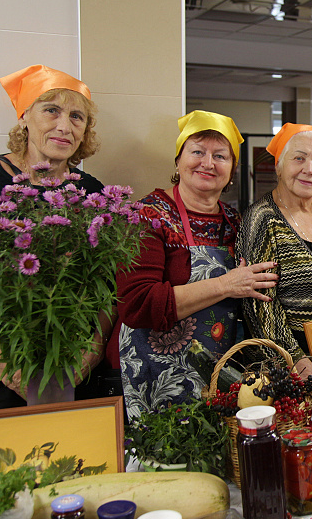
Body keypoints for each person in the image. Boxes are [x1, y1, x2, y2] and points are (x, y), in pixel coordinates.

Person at [0, 64, 110, 412]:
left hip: (78, 371)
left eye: (76, 117)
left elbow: (108, 284)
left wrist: (90, 354)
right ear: (25, 117)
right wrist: (13, 371)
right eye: (51, 111)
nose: (64, 126)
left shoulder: (92, 192)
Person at [114, 111, 278, 420]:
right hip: (154, 374)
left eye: (220, 156)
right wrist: (225, 285)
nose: (208, 163)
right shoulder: (146, 216)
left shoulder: (236, 223)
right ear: (178, 160)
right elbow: (137, 305)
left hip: (218, 376)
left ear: (232, 170)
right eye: (197, 152)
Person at [238, 123, 312, 365]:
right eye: (299, 158)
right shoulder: (263, 218)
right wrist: (295, 361)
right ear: (279, 166)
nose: (309, 170)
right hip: (292, 370)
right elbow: (259, 307)